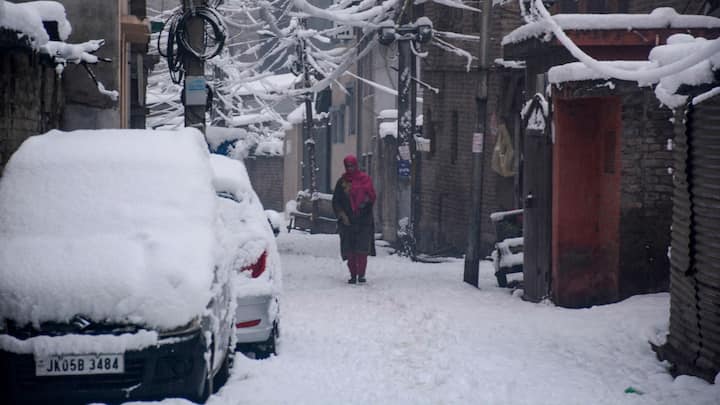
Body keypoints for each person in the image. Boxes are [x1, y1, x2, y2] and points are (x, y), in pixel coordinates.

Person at [332, 154, 376, 284]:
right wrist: (342, 215)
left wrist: (364, 204)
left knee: (361, 250)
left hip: (363, 220)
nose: (350, 168)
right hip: (347, 222)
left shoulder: (364, 179)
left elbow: (371, 196)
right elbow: (336, 201)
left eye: (352, 165)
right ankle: (353, 274)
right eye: (348, 166)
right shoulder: (342, 182)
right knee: (349, 250)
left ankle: (361, 274)